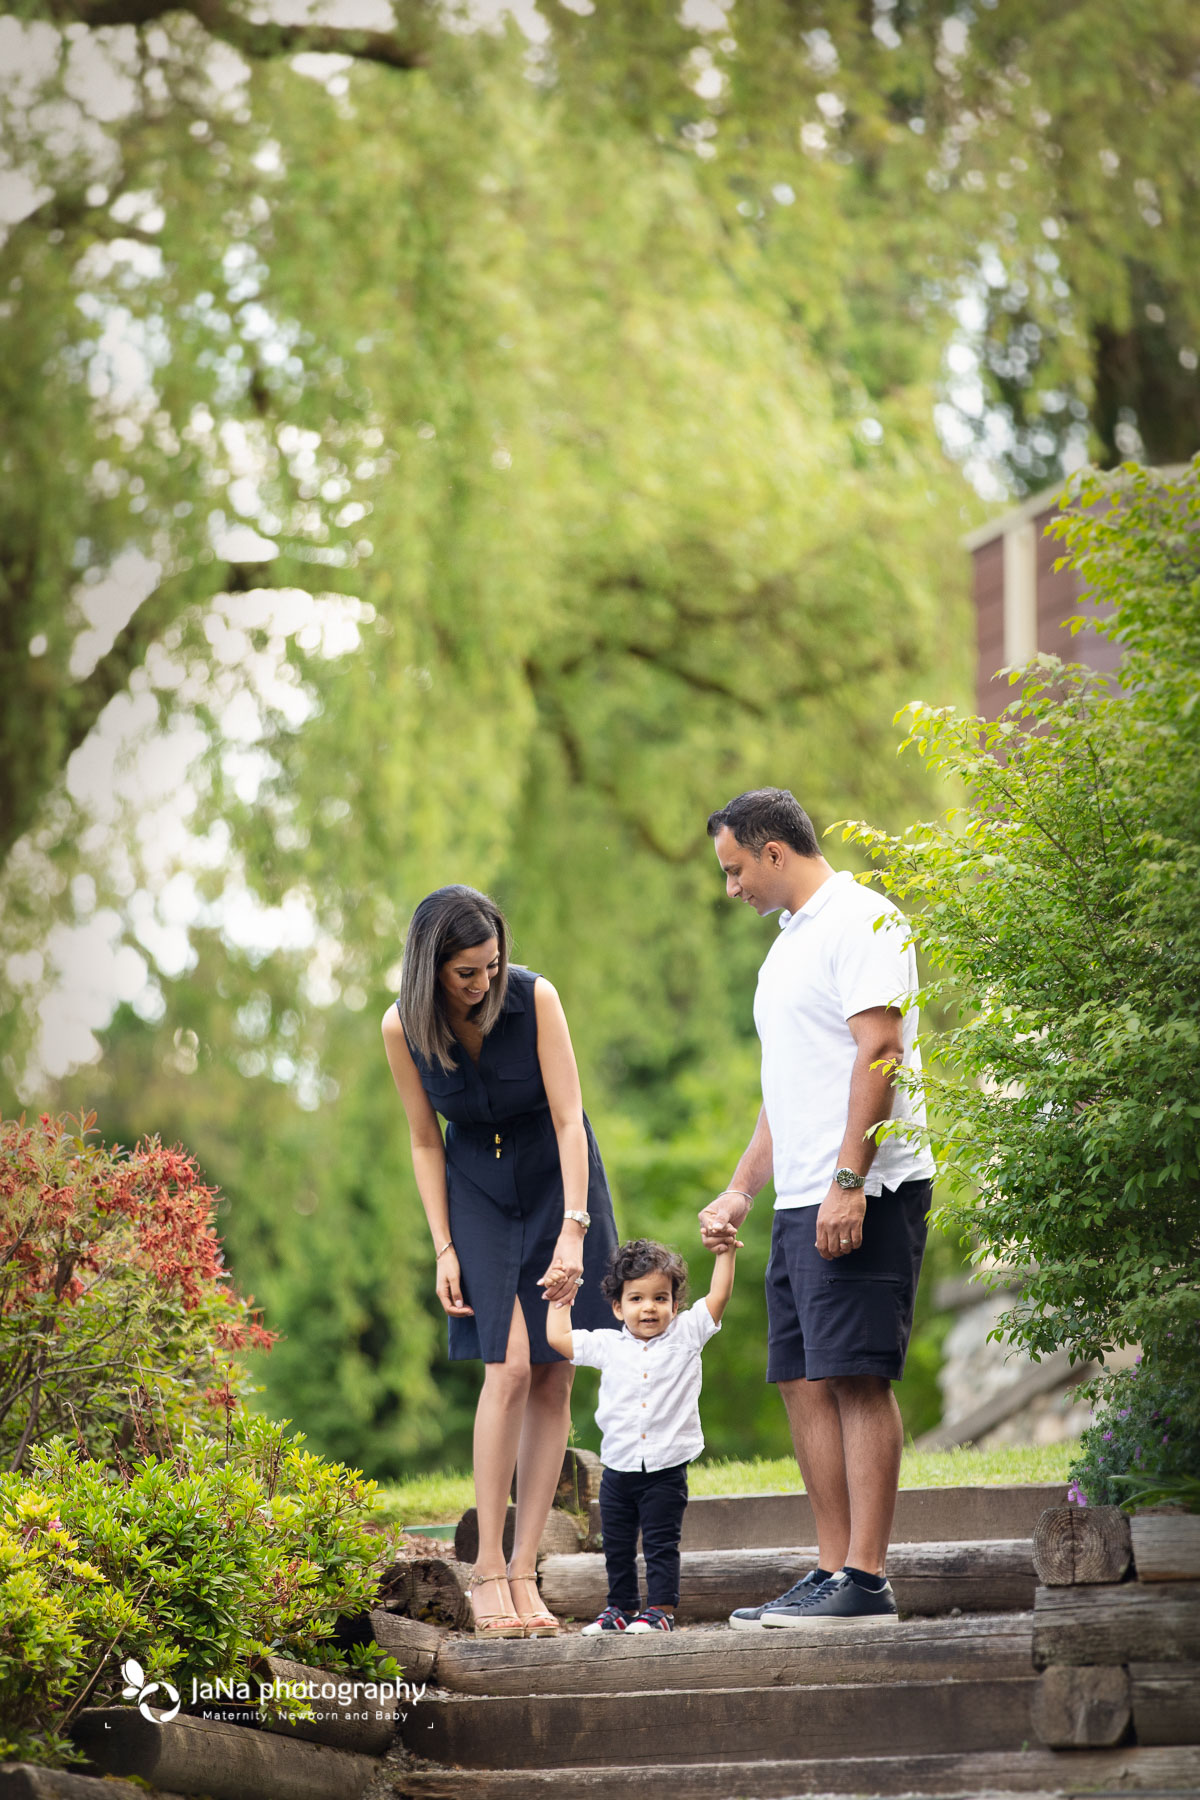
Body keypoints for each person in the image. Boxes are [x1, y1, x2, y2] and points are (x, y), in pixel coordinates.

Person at [701, 788, 935, 1626]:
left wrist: (849, 1181)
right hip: (801, 1194)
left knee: (854, 1377)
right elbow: (786, 1087)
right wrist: (741, 1185)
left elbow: (881, 1050)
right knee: (801, 1380)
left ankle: (867, 1579)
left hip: (863, 1190)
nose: (731, 888)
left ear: (773, 852)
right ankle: (833, 1568)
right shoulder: (786, 947)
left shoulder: (864, 919)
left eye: (735, 869)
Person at [381, 885, 619, 1638]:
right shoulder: (400, 1028)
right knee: (507, 1367)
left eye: (490, 966)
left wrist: (575, 1230)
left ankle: (524, 1574)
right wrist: (443, 1246)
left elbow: (568, 1117)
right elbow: (425, 1139)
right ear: (430, 969)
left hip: (560, 1183)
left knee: (553, 1371)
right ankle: (485, 1570)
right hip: (476, 1193)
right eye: (465, 973)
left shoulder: (535, 998)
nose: (483, 984)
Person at [546, 1235, 738, 1634]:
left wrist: (726, 1253)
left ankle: (661, 1611)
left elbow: (718, 1297)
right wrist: (559, 1299)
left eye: (660, 1298)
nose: (648, 1307)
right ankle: (619, 1608)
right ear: (618, 1307)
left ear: (675, 1304)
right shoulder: (609, 1345)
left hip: (666, 1469)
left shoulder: (687, 1335)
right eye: (636, 1299)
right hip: (618, 1467)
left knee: (660, 1545)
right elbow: (559, 1340)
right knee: (616, 1546)